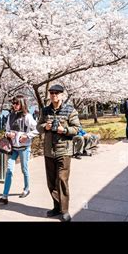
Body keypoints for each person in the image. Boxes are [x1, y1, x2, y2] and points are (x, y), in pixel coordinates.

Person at [37, 84, 80, 222]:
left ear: (62, 95)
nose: (54, 95)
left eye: (56, 93)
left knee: (62, 180)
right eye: (51, 93)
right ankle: (56, 207)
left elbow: (77, 129)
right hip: (49, 151)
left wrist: (64, 130)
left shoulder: (70, 110)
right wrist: (46, 126)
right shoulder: (45, 110)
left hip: (64, 151)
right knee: (51, 182)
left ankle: (65, 210)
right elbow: (38, 127)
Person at [0, 95, 39, 205]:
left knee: (24, 169)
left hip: (24, 148)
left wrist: (27, 136)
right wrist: (8, 134)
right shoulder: (10, 116)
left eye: (17, 103)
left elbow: (37, 129)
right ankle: (4, 196)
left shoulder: (27, 116)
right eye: (13, 104)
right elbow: (6, 130)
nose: (15, 105)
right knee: (9, 170)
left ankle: (26, 189)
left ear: (22, 104)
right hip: (13, 148)